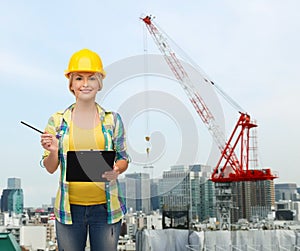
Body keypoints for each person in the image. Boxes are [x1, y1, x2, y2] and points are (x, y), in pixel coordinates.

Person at [40, 48, 130, 251]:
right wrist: (53, 151)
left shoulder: (112, 120)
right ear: (71, 84)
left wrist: (116, 170)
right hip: (69, 210)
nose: (85, 84)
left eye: (92, 78)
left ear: (99, 83)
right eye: (79, 78)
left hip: (106, 209)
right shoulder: (57, 121)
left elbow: (124, 158)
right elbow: (50, 167)